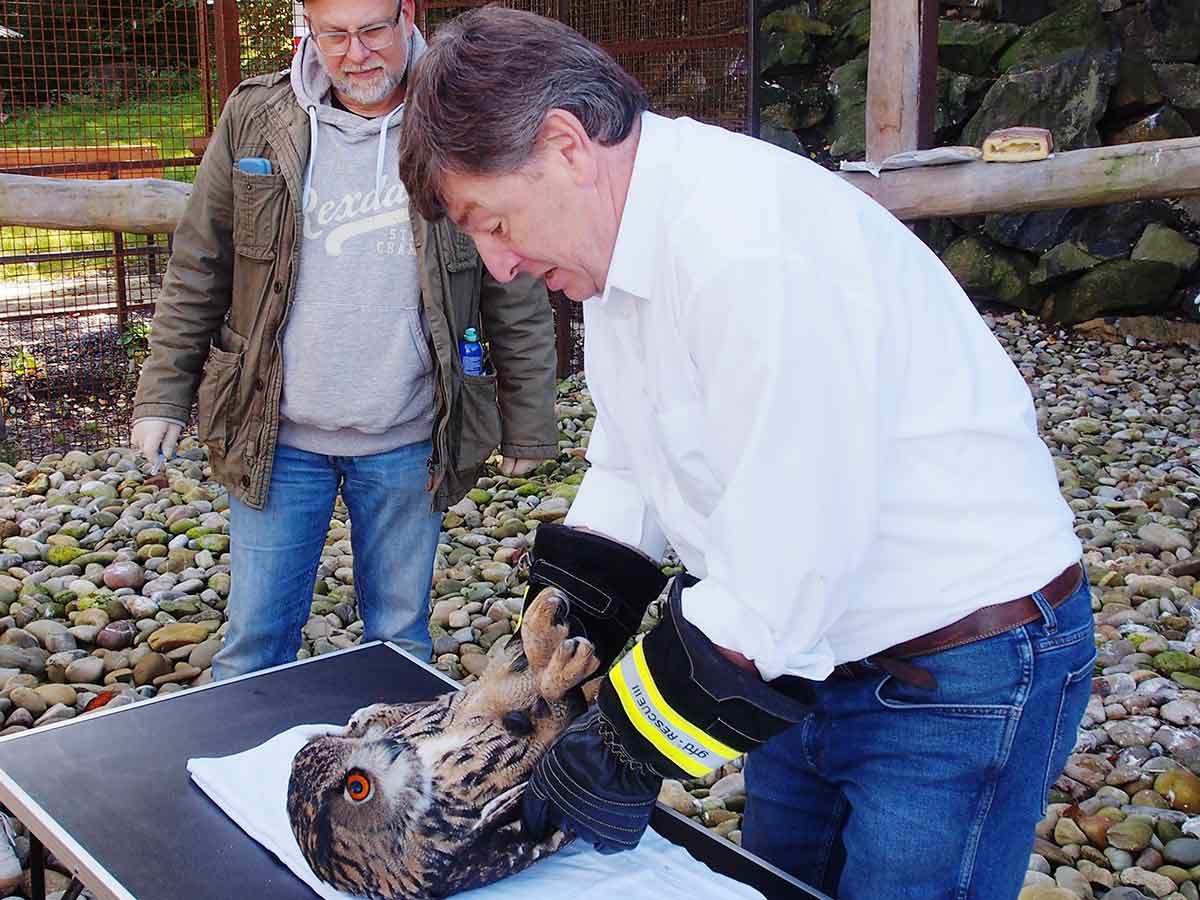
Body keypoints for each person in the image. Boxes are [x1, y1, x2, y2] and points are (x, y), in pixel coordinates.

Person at [397, 9, 1093, 899]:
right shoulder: (621, 243)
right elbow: (631, 457)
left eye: (492, 222)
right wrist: (573, 622)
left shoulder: (749, 249)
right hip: (799, 658)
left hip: (953, 666)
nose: (497, 267)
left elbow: (790, 561)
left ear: (566, 145)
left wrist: (620, 745)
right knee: (776, 885)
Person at [131, 0, 557, 681]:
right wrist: (162, 397)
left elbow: (515, 283)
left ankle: (395, 783)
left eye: (372, 31)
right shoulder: (256, 117)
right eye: (335, 35)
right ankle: (233, 775)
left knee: (399, 645)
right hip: (276, 435)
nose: (356, 54)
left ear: (408, 15)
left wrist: (529, 426)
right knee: (253, 645)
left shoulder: (464, 118)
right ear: (310, 28)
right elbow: (198, 266)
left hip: (408, 437)